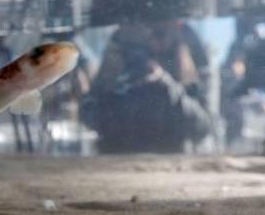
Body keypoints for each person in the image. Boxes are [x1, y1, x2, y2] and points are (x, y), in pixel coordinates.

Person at [82, 14, 213, 153]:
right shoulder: (121, 48)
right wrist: (109, 81)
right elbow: (90, 117)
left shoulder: (189, 48)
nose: (151, 42)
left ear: (176, 28)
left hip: (174, 160)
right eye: (141, 37)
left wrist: (166, 86)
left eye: (159, 34)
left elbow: (203, 127)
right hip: (121, 159)